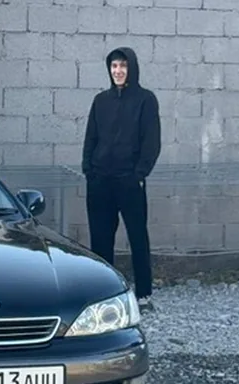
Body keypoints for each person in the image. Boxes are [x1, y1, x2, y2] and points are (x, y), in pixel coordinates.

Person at [81, 46, 161, 312]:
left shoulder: (145, 100)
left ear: (132, 68)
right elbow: (91, 137)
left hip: (129, 181)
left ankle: (144, 294)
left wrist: (138, 175)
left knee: (138, 237)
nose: (118, 71)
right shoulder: (100, 101)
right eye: (114, 66)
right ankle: (103, 293)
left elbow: (151, 141)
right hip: (100, 181)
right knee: (100, 240)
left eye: (123, 66)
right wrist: (89, 171)